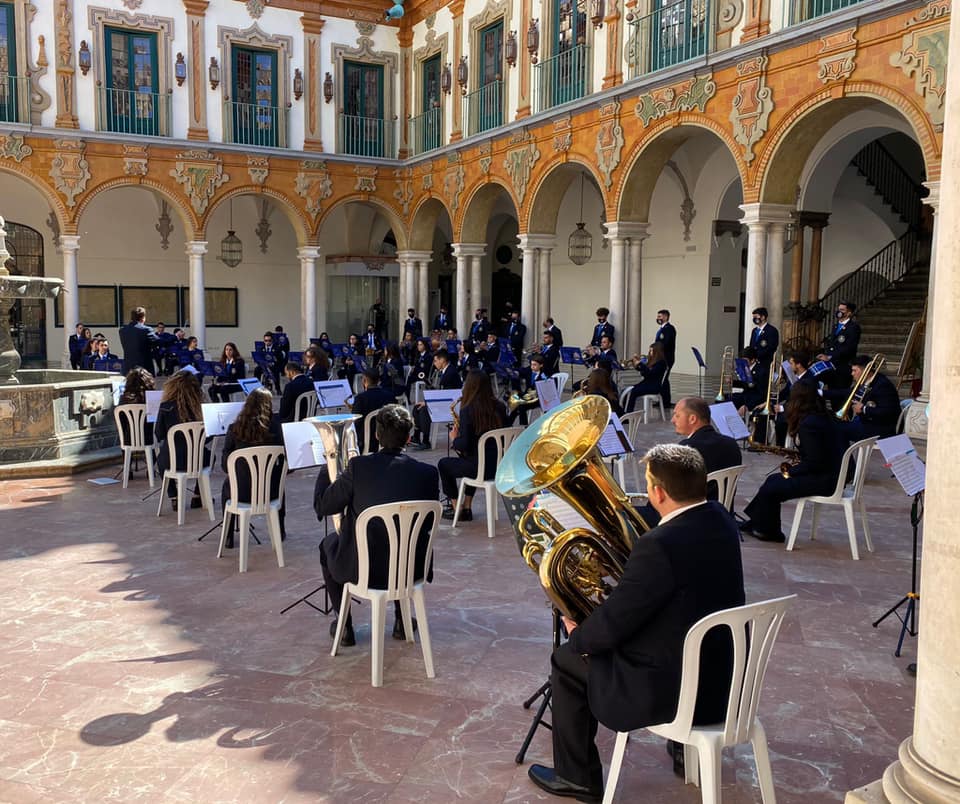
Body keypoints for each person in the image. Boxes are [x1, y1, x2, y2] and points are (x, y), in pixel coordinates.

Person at [527, 444, 745, 802]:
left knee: (567, 660)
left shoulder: (660, 544)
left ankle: (576, 778)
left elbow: (614, 624)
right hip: (725, 682)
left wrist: (578, 635)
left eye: (647, 484)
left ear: (658, 492)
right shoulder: (720, 519)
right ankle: (681, 751)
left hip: (676, 691)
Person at [314, 404, 440, 646]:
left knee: (327, 545)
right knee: (400, 539)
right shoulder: (428, 473)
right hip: (411, 568)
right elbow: (424, 524)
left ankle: (345, 626)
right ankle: (402, 620)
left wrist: (326, 469)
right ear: (409, 437)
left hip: (364, 570)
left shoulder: (359, 467)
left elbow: (324, 506)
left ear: (377, 435)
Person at [740, 382, 847, 542]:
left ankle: (769, 532)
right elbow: (820, 452)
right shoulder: (823, 416)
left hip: (826, 480)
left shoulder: (809, 424)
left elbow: (814, 462)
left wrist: (792, 470)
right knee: (772, 480)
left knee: (773, 486)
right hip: (832, 474)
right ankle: (759, 524)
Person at [220, 387, 286, 549]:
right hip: (270, 492)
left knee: (227, 485)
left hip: (241, 492)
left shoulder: (234, 429)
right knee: (279, 482)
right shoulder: (276, 428)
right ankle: (280, 530)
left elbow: (225, 466)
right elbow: (286, 462)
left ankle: (228, 534)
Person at [439, 370, 508, 521]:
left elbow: (463, 445)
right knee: (472, 460)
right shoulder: (500, 407)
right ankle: (467, 506)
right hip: (498, 466)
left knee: (444, 464)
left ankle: (457, 508)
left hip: (478, 468)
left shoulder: (468, 410)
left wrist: (454, 438)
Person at [154, 370, 210, 511]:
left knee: (161, 460)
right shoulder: (201, 408)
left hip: (172, 460)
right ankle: (198, 495)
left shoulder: (166, 407)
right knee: (210, 456)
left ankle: (174, 496)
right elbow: (209, 436)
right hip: (198, 459)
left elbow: (159, 434)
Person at [672, 397, 741, 500]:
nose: (673, 420)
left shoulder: (687, 448)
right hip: (723, 508)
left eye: (677, 415)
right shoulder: (731, 443)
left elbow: (673, 485)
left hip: (695, 508)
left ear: (692, 419)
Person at [835, 355, 901, 442]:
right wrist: (821, 392)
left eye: (854, 370)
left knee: (837, 430)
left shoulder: (882, 385)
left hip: (879, 428)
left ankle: (843, 451)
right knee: (835, 425)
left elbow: (888, 411)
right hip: (865, 421)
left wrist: (863, 408)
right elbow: (846, 392)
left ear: (866, 370)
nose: (852, 374)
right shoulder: (865, 381)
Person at [412, 349, 462, 450]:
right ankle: (416, 436)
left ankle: (426, 440)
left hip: (451, 405)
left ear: (442, 360)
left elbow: (445, 394)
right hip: (445, 401)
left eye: (435, 361)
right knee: (417, 407)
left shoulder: (450, 373)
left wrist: (428, 403)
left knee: (424, 410)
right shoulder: (444, 371)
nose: (434, 364)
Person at [351, 368, 399, 452]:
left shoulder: (360, 398)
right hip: (388, 438)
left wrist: (354, 409)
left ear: (364, 380)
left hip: (367, 440)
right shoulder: (390, 396)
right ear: (379, 381)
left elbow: (356, 421)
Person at [818, 300, 861, 388]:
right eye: (838, 309)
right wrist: (826, 354)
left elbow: (850, 348)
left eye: (842, 310)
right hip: (832, 367)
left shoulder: (853, 327)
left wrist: (830, 357)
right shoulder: (835, 326)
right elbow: (832, 345)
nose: (839, 312)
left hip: (843, 367)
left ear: (849, 313)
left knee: (839, 391)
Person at [118, 367, 156, 446]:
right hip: (149, 440)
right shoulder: (153, 398)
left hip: (128, 440)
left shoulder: (123, 398)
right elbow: (157, 423)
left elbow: (121, 422)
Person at [625, 343, 667, 413]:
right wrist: (637, 365)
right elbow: (644, 373)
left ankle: (628, 413)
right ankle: (623, 411)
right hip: (647, 384)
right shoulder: (652, 362)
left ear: (657, 352)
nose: (650, 353)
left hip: (653, 386)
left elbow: (650, 374)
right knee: (627, 390)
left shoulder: (661, 363)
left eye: (652, 351)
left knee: (633, 392)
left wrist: (640, 364)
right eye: (650, 351)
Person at [118, 306, 159, 374]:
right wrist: (175, 337)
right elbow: (158, 342)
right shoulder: (146, 330)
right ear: (142, 318)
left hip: (128, 368)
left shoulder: (122, 330)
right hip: (143, 368)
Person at [655, 309, 677, 407]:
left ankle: (666, 402)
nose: (658, 318)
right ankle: (662, 400)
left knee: (664, 379)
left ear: (666, 317)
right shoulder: (662, 329)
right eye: (658, 316)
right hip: (660, 358)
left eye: (660, 316)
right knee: (662, 379)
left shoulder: (669, 329)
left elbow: (665, 343)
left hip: (666, 358)